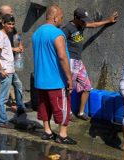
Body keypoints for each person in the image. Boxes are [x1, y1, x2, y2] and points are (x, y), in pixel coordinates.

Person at [62, 8, 119, 120]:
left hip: (79, 61)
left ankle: (81, 112)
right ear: (75, 18)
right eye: (82, 19)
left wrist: (108, 20)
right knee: (68, 88)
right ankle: (67, 113)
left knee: (87, 86)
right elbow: (59, 43)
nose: (84, 22)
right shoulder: (67, 29)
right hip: (70, 61)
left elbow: (93, 25)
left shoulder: (82, 25)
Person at [32, 5, 77, 145]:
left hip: (40, 80)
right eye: (61, 17)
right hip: (56, 80)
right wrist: (69, 78)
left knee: (44, 105)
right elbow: (62, 57)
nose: (62, 20)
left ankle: (47, 131)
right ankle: (62, 135)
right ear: (55, 17)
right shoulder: (57, 34)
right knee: (63, 107)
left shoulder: (36, 33)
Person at [0, 14, 24, 129]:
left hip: (10, 69)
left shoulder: (6, 34)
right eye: (9, 24)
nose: (11, 26)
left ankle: (20, 107)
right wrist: (1, 69)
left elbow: (5, 50)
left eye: (12, 24)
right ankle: (2, 121)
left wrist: (16, 48)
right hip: (6, 70)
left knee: (19, 85)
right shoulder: (1, 36)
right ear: (3, 23)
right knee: (4, 97)